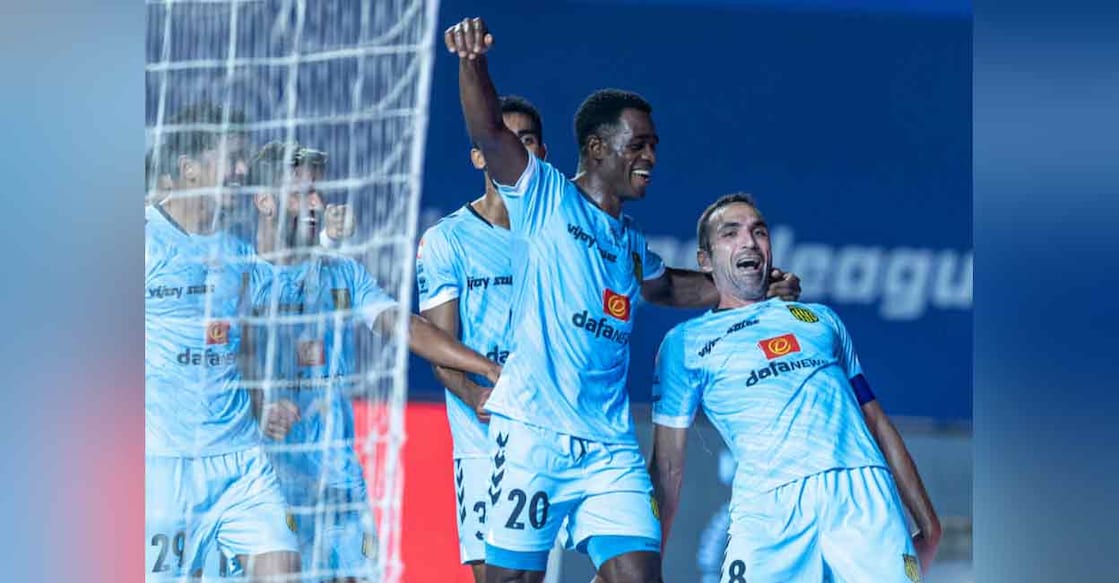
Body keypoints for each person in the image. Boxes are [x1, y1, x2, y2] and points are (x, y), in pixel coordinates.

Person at [443, 17, 800, 583]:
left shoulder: (630, 244)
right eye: (638, 145)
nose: (651, 157)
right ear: (596, 147)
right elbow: (490, 133)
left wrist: (751, 286)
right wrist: (472, 63)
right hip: (534, 434)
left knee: (639, 576)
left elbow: (671, 287)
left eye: (654, 146)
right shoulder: (545, 198)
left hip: (609, 447)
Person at [649, 194, 941, 582]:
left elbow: (876, 422)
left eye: (759, 232)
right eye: (730, 233)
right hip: (769, 508)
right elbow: (667, 469)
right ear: (705, 260)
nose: (749, 241)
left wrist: (929, 525)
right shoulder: (684, 344)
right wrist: (647, 565)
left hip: (861, 494)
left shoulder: (819, 319)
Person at [247, 141, 502, 582]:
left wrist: (488, 368)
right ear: (264, 201)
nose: (316, 202)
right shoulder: (236, 278)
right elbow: (218, 369)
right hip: (263, 489)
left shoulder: (342, 274)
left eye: (316, 192)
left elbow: (407, 326)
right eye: (299, 193)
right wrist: (259, 406)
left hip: (339, 492)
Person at [145, 103, 301, 579]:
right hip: (164, 467)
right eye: (230, 158)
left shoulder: (237, 253)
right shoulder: (142, 239)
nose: (240, 171)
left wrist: (265, 400)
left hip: (242, 463)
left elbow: (243, 348)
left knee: (283, 569)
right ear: (189, 168)